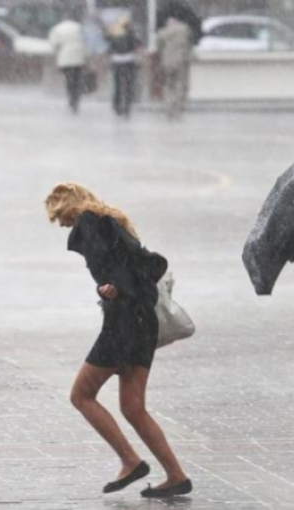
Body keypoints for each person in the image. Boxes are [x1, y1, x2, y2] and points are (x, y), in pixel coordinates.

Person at [44, 183, 192, 498]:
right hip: (142, 320)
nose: (61, 224)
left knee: (81, 395)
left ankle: (130, 461)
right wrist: (113, 286)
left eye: (59, 216)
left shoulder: (89, 223)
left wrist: (115, 287)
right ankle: (176, 475)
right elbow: (142, 266)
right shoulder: (112, 223)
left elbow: (125, 271)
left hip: (124, 321)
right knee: (133, 407)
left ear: (68, 206)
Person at [48, 10, 87, 113]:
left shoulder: (58, 28)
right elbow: (86, 41)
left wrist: (57, 52)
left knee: (69, 80)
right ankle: (76, 98)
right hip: (79, 57)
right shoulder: (80, 27)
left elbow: (54, 44)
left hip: (65, 58)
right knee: (77, 79)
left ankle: (71, 99)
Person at [156, 16, 193, 119]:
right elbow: (189, 44)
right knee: (180, 84)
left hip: (167, 62)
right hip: (181, 61)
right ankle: (178, 107)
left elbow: (159, 46)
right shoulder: (184, 29)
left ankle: (169, 106)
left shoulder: (162, 33)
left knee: (168, 85)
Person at [105, 17, 141, 119]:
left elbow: (109, 49)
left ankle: (117, 106)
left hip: (116, 63)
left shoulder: (115, 35)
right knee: (129, 86)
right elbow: (137, 46)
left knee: (117, 85)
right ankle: (127, 107)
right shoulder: (131, 35)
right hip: (129, 62)